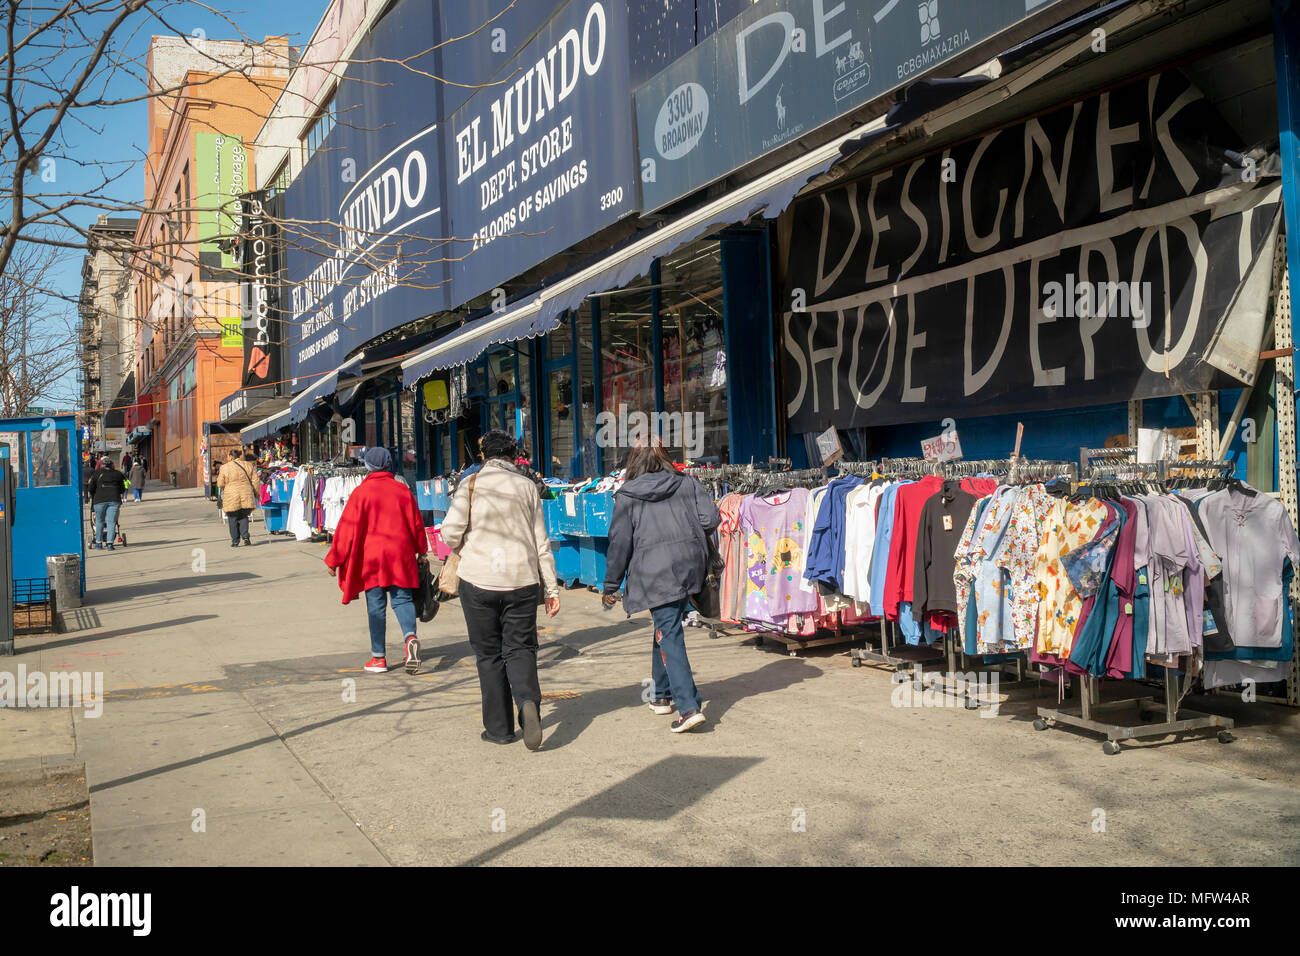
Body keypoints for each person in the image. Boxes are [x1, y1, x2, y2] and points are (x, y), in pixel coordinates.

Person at [440, 429, 560, 750]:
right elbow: (541, 543)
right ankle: (527, 703)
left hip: (478, 580)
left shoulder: (470, 484)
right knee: (520, 648)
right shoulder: (527, 487)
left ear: (484, 456)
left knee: (489, 654)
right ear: (512, 455)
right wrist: (552, 589)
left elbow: (450, 534)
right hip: (522, 581)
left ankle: (499, 728)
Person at [603, 443, 720, 733]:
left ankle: (688, 706)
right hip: (690, 565)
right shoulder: (687, 483)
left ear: (633, 463)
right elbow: (711, 519)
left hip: (656, 572)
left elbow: (620, 544)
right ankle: (660, 694)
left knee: (668, 631)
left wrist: (610, 585)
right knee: (666, 626)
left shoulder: (626, 496)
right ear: (666, 459)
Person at [323, 446, 429, 675]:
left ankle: (379, 659)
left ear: (368, 467)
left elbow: (346, 530)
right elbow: (417, 524)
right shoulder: (403, 491)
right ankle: (410, 638)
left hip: (372, 559)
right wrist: (422, 551)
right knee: (402, 600)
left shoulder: (361, 493)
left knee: (376, 606)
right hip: (400, 556)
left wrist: (334, 559)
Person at [216, 447, 260, 548]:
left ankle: (235, 541)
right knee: (243, 516)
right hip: (246, 494)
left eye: (228, 456)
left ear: (231, 457)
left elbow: (220, 483)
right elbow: (255, 481)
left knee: (233, 518)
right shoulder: (248, 465)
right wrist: (257, 494)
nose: (227, 457)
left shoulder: (224, 468)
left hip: (231, 496)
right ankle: (245, 537)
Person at [87, 457, 127, 551]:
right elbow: (122, 488)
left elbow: (91, 488)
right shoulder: (118, 474)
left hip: (99, 500)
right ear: (111, 465)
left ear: (102, 465)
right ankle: (110, 544)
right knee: (111, 522)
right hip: (114, 500)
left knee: (99, 521)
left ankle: (98, 543)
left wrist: (93, 495)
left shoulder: (97, 473)